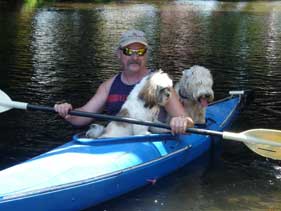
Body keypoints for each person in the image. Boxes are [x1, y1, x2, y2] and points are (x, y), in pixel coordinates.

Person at [54, 29, 194, 134]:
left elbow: (187, 120)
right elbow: (82, 116)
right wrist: (67, 112)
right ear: (118, 54)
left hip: (149, 143)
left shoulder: (159, 84)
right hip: (114, 141)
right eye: (128, 51)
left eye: (140, 52)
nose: (135, 57)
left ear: (146, 55)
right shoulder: (108, 87)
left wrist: (181, 121)